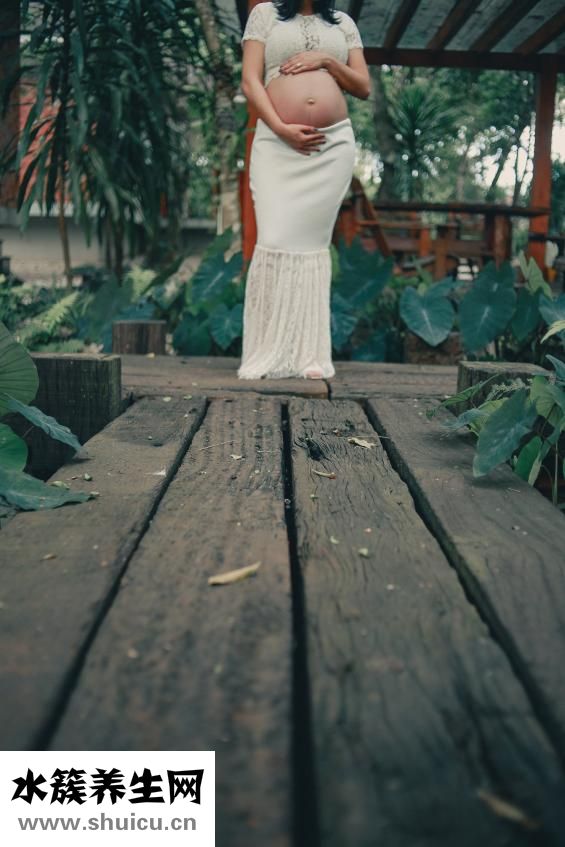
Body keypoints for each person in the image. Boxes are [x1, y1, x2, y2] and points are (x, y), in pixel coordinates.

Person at [237, 0, 370, 380]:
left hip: (331, 147)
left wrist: (326, 61)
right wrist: (280, 128)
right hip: (276, 143)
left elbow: (363, 87)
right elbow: (250, 81)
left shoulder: (343, 23)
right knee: (275, 239)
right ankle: (265, 352)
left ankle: (310, 354)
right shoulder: (265, 15)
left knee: (312, 246)